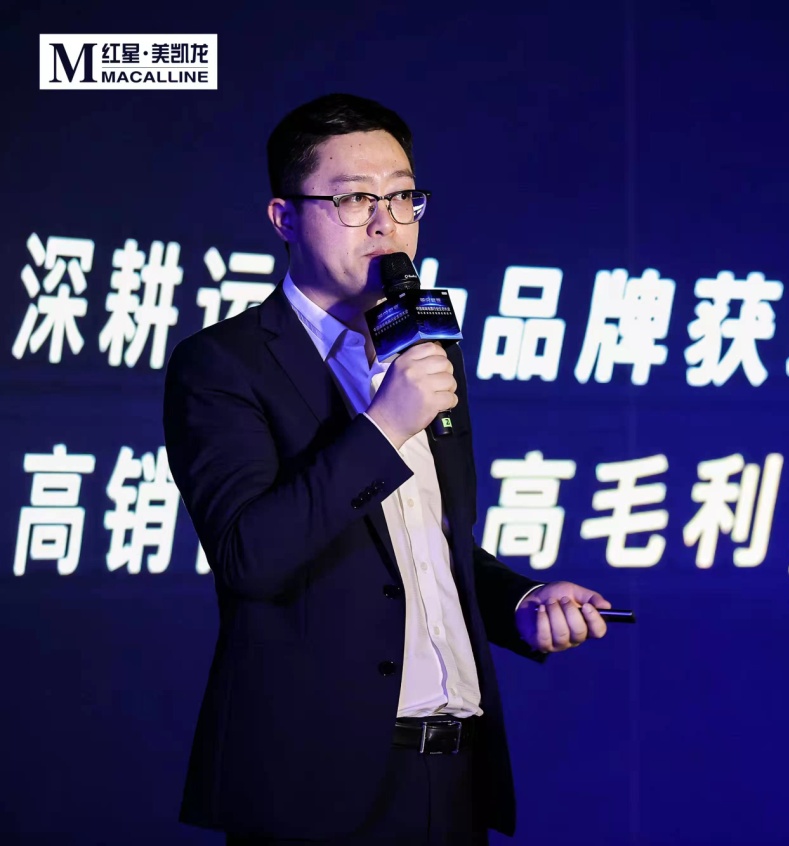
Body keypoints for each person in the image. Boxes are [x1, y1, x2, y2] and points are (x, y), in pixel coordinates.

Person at [163, 92, 612, 846]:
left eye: (403, 196)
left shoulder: (423, 349)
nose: (386, 222)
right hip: (313, 789)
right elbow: (249, 555)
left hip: (453, 773)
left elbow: (426, 546)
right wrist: (385, 425)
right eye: (352, 199)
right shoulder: (224, 364)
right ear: (283, 218)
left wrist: (522, 601)